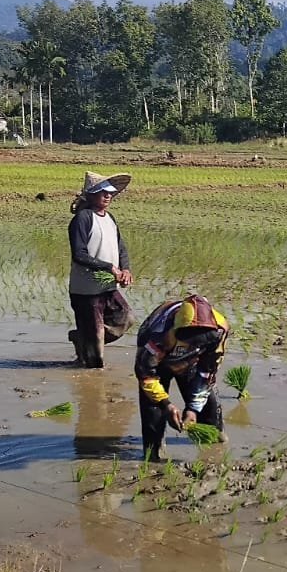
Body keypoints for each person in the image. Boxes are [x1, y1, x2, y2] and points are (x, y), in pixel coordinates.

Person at [134, 294, 229, 459]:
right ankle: (154, 454)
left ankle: (215, 452)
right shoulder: (158, 334)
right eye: (190, 341)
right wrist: (166, 404)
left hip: (192, 363)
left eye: (198, 342)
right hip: (158, 365)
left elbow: (207, 372)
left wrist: (193, 409)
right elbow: (146, 375)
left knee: (210, 414)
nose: (191, 344)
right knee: (153, 414)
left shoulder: (219, 329)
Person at [67, 170, 133, 369]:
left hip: (108, 285)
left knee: (126, 318)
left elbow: (120, 247)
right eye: (102, 192)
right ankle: (92, 372)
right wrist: (109, 267)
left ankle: (82, 338)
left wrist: (125, 269)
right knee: (96, 359)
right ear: (91, 194)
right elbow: (79, 254)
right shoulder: (83, 219)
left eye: (110, 192)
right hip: (86, 290)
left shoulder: (109, 218)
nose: (107, 196)